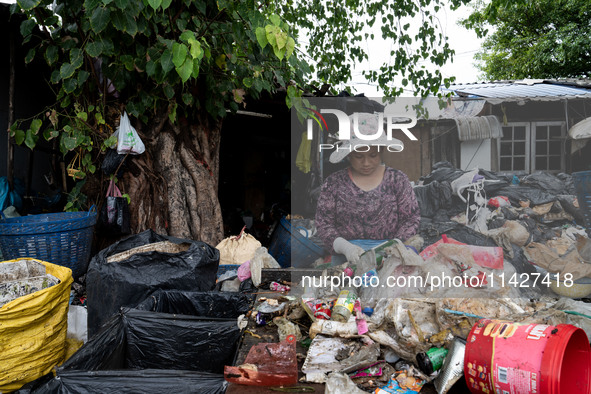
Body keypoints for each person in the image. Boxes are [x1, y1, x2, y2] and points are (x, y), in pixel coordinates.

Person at [315, 113, 420, 264]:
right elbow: (324, 223)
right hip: (346, 260)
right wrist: (345, 247)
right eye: (358, 156)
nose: (366, 163)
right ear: (349, 154)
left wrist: (395, 244)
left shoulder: (397, 180)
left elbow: (411, 218)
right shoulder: (334, 183)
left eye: (373, 155)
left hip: (389, 257)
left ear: (382, 150)